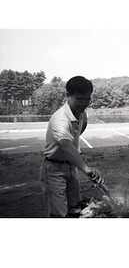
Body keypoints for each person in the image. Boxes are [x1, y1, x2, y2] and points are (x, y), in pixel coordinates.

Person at [40, 76, 101, 218]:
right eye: (79, 99)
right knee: (59, 214)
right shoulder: (60, 118)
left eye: (87, 99)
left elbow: (78, 133)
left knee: (76, 210)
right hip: (53, 170)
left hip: (71, 169)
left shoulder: (83, 115)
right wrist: (86, 169)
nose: (84, 103)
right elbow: (66, 146)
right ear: (68, 96)